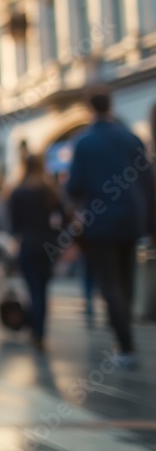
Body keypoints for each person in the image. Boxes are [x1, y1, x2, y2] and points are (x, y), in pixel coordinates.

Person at [66, 90, 155, 367]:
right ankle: (125, 333)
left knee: (110, 283)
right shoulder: (130, 138)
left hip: (101, 223)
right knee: (126, 279)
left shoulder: (83, 143)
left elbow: (74, 187)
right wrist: (151, 223)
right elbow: (148, 183)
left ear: (88, 109)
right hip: (132, 220)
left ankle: (125, 345)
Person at [7, 154, 65, 352]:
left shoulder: (18, 192)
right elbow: (64, 218)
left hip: (28, 244)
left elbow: (14, 226)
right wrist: (56, 237)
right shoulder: (49, 190)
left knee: (33, 289)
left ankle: (36, 331)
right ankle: (39, 331)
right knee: (42, 289)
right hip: (48, 245)